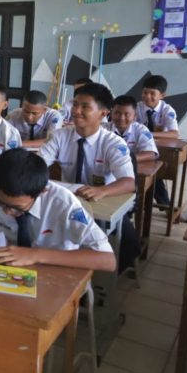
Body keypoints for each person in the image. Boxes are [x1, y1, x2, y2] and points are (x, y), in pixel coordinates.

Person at [0, 149, 116, 272]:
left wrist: (35, 255)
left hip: (54, 269)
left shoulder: (63, 204)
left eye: (17, 208)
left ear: (42, 192)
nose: (7, 212)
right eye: (0, 203)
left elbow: (107, 260)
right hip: (6, 266)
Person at [38, 83, 139, 271]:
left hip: (102, 204)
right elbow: (38, 165)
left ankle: (100, 281)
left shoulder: (113, 143)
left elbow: (129, 182)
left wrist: (102, 191)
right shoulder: (60, 136)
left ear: (103, 113)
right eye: (75, 104)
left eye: (85, 107)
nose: (76, 111)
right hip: (67, 201)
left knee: (129, 243)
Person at [136, 74, 178, 207]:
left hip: (159, 150)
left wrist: (148, 134)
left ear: (162, 95)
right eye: (145, 92)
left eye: (152, 93)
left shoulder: (167, 110)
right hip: (139, 149)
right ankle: (162, 205)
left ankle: (158, 205)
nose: (147, 96)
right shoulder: (136, 107)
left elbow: (174, 134)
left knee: (155, 174)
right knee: (150, 175)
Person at [110, 95, 158, 162]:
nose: (121, 118)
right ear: (111, 113)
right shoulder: (102, 129)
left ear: (135, 116)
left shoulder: (141, 130)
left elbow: (151, 154)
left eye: (127, 114)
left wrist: (123, 160)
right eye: (117, 113)